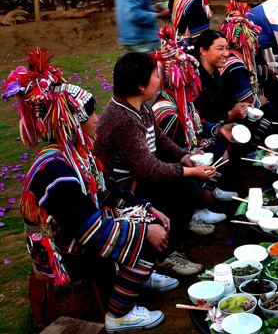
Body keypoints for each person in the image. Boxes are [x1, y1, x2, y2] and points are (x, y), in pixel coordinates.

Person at [2, 48, 174, 331]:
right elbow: (87, 229)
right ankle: (119, 315)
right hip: (64, 246)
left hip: (82, 227)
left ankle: (136, 276)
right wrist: (143, 232)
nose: (96, 120)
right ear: (71, 125)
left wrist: (146, 207)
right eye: (90, 116)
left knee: (151, 218)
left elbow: (105, 191)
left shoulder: (77, 155)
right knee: (145, 235)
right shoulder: (54, 171)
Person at [94, 52, 217, 276]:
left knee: (188, 184)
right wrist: (190, 171)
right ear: (141, 86)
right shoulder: (124, 120)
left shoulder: (141, 106)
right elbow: (147, 169)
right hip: (122, 189)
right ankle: (164, 255)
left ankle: (171, 239)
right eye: (154, 74)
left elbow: (160, 140)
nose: (160, 78)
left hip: (139, 177)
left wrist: (184, 157)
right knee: (188, 189)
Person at [152, 26, 238, 211]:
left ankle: (207, 192)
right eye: (191, 80)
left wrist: (219, 128)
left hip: (186, 151)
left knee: (222, 144)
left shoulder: (184, 102)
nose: (197, 85)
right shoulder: (169, 113)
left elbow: (198, 123)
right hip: (172, 166)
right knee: (216, 154)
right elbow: (169, 153)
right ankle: (197, 206)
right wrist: (190, 160)